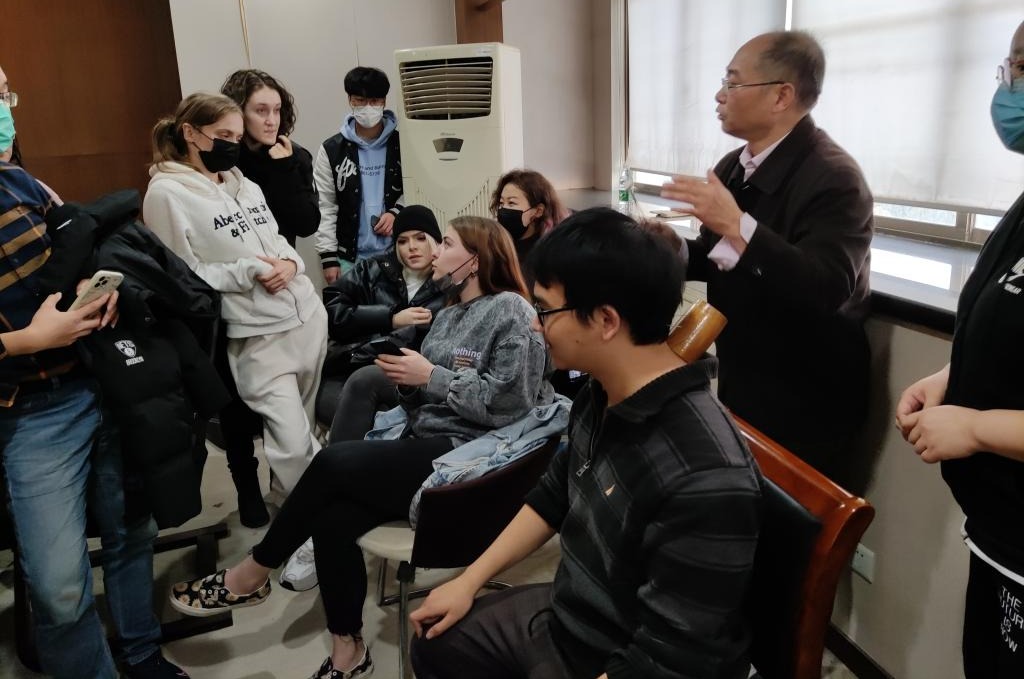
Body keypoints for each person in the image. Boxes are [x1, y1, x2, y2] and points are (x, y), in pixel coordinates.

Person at [169, 215, 554, 679]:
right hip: (430, 440)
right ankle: (347, 650)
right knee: (333, 517)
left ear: (475, 259)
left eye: (446, 243)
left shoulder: (511, 310)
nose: (434, 251)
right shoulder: (449, 314)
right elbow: (425, 397)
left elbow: (510, 404)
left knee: (333, 462)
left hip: (475, 453)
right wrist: (410, 382)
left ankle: (252, 572)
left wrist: (431, 376)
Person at [409, 207, 762, 679]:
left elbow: (668, 658)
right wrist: (468, 581)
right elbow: (553, 496)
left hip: (625, 655)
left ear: (605, 320)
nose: (534, 326)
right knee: (434, 645)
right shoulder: (601, 394)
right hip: (571, 617)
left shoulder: (704, 474)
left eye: (544, 310)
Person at [0, 87, 189, 679]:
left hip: (100, 380)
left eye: (5, 92)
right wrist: (29, 340)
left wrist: (93, 292)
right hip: (32, 411)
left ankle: (141, 651)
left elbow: (71, 251)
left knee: (132, 527)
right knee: (58, 585)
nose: (7, 106)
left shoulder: (20, 183)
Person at [661, 30, 873, 484]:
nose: (719, 95)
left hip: (808, 394)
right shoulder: (733, 167)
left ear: (781, 96)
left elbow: (826, 287)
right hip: (746, 375)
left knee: (791, 517)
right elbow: (720, 259)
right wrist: (670, 245)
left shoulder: (835, 178)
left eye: (733, 82)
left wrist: (737, 224)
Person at [895, 21, 1024, 679]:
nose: (1010, 87)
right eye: (1012, 67)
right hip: (999, 532)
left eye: (1021, 68)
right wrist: (952, 376)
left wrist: (975, 426)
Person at [142, 93, 327, 505]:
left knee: (306, 429)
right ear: (191, 133)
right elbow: (182, 275)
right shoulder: (166, 194)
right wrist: (248, 271)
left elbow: (279, 239)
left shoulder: (245, 185)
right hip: (256, 334)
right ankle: (322, 516)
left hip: (307, 318)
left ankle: (288, 508)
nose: (232, 144)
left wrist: (292, 264)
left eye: (237, 137)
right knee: (294, 444)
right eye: (223, 135)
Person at [217, 69, 320, 528]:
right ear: (238, 112)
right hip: (236, 294)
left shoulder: (294, 156)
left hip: (283, 284)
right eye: (260, 110)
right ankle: (246, 486)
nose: (271, 119)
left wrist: (283, 168)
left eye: (277, 110)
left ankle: (284, 486)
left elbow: (305, 222)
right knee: (233, 402)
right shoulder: (224, 161)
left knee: (292, 406)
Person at [318, 204, 445, 445]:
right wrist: (390, 318)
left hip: (406, 382)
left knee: (381, 423)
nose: (412, 247)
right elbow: (333, 312)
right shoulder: (372, 269)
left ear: (436, 242)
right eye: (403, 241)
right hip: (350, 369)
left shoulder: (445, 285)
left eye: (420, 238)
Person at [314, 66, 403, 283]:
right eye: (360, 101)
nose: (367, 107)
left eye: (374, 101)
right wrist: (328, 258)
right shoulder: (331, 149)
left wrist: (397, 211)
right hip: (349, 257)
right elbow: (326, 204)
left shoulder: (402, 145)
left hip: (397, 254)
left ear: (384, 101)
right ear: (350, 100)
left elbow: (418, 188)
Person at [489, 168, 570, 269]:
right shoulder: (494, 245)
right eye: (501, 203)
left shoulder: (551, 253)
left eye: (511, 203)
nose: (504, 208)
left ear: (538, 211)